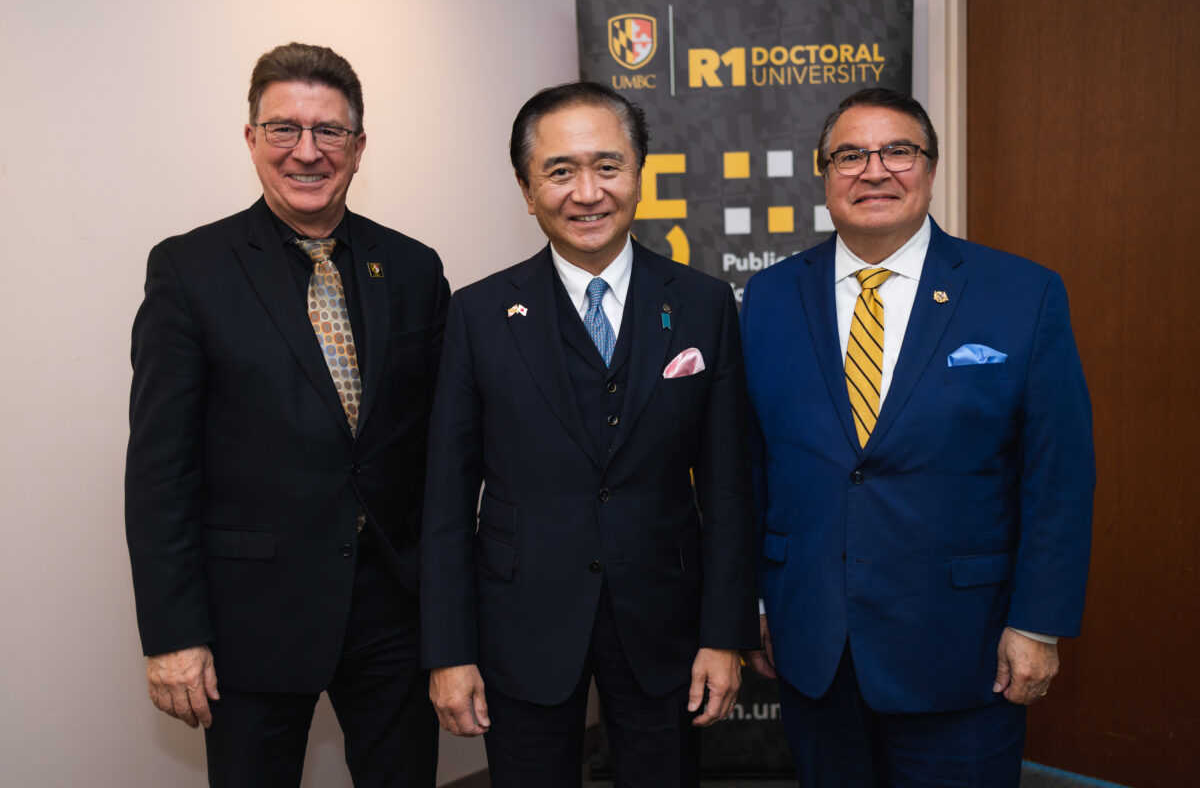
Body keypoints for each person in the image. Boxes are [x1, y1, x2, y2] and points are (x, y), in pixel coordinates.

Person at [740, 88, 1094, 786]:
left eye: (898, 151)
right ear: (824, 174)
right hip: (815, 645)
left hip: (963, 650)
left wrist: (1038, 625)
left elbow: (1057, 476)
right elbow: (751, 465)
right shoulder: (770, 296)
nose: (875, 171)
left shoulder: (1022, 294)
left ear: (930, 169)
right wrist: (756, 602)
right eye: (850, 155)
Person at [125, 42, 446, 787]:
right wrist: (175, 635)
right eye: (284, 129)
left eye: (329, 131)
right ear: (251, 139)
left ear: (359, 147)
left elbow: (436, 445)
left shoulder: (413, 268)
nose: (307, 152)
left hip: (394, 610)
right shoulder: (189, 270)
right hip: (252, 620)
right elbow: (161, 471)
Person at [419, 81, 758, 787]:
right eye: (560, 170)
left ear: (639, 174)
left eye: (607, 166)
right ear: (525, 187)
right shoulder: (478, 314)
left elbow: (730, 489)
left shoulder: (702, 305)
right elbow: (446, 502)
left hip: (665, 622)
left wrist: (724, 635)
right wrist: (448, 652)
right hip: (521, 623)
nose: (587, 192)